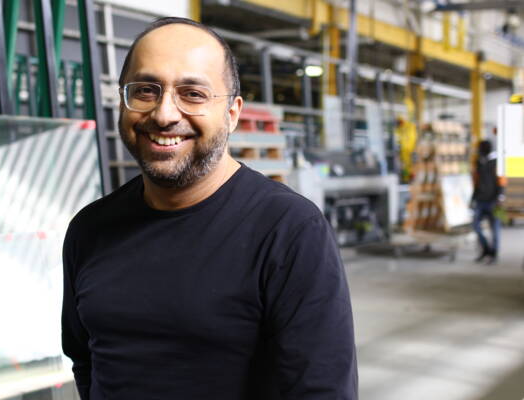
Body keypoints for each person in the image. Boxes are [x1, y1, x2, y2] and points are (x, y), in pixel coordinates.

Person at [62, 17, 358, 400]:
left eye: (193, 94)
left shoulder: (289, 230)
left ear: (232, 113)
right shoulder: (90, 228)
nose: (165, 114)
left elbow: (321, 391)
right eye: (145, 90)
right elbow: (85, 361)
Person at [471, 139, 505, 264]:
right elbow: (476, 182)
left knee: (495, 229)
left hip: (494, 201)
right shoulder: (478, 162)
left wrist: (500, 197)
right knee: (475, 226)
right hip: (480, 200)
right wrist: (473, 198)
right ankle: (485, 250)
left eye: (480, 149)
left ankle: (493, 254)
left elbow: (501, 181)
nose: (478, 151)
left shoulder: (497, 162)